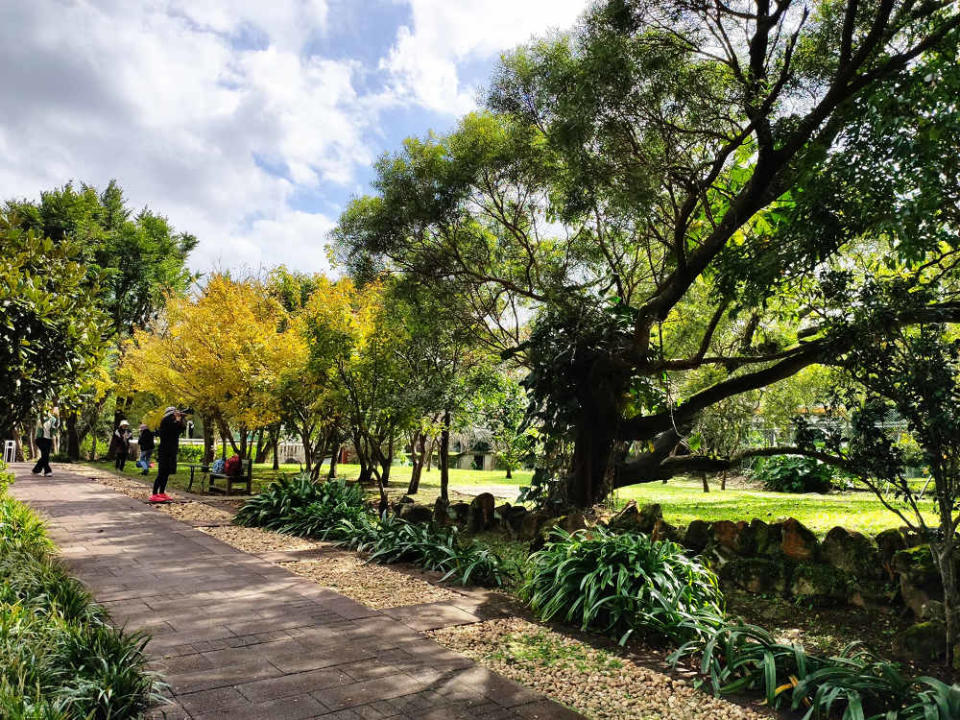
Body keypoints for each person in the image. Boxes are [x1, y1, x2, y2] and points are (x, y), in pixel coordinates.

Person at [151, 407, 185, 503]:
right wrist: (178, 420)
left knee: (167, 472)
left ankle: (161, 492)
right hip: (165, 450)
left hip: (171, 450)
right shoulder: (166, 420)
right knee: (162, 472)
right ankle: (154, 494)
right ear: (171, 413)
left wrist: (181, 419)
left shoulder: (173, 421)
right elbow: (172, 428)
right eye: (175, 413)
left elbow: (180, 429)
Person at [31, 406, 59, 477]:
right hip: (40, 439)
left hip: (48, 439)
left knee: (45, 455)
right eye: (46, 410)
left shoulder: (53, 419)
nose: (47, 411)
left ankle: (36, 469)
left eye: (49, 409)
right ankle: (47, 471)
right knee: (45, 455)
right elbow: (40, 425)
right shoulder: (39, 417)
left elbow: (56, 428)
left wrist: (57, 417)